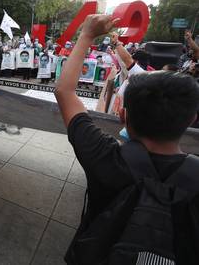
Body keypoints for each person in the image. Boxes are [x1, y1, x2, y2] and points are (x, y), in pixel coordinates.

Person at [55, 14, 199, 264]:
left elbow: (64, 91)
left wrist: (87, 35)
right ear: (191, 120)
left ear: (122, 114)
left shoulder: (104, 156)